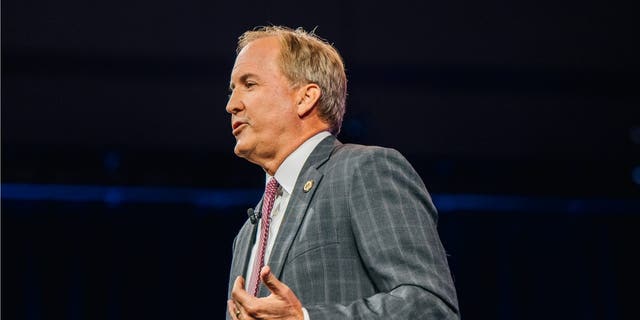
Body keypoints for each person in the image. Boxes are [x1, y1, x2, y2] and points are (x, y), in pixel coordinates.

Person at [225, 25, 460, 320]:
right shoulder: (248, 232)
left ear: (305, 98)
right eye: (232, 90)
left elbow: (430, 307)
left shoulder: (364, 170)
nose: (232, 105)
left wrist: (307, 318)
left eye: (249, 84)